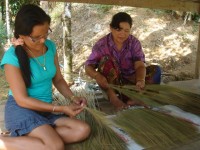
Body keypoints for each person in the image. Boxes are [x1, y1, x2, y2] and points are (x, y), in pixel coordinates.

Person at [0, 4, 90, 150]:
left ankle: (30, 138)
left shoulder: (50, 47)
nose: (43, 41)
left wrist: (73, 98)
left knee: (82, 130)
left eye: (45, 34)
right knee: (55, 146)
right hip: (22, 110)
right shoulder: (12, 57)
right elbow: (22, 100)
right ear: (21, 35)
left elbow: (58, 79)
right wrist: (59, 108)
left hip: (45, 110)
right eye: (36, 38)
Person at [85, 12, 161, 110]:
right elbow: (88, 66)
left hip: (132, 84)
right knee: (107, 60)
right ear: (111, 28)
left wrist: (140, 80)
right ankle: (114, 99)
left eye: (126, 30)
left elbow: (139, 65)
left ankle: (136, 97)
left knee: (156, 70)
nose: (122, 34)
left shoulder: (134, 43)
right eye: (118, 29)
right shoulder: (102, 45)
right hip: (112, 86)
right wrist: (97, 75)